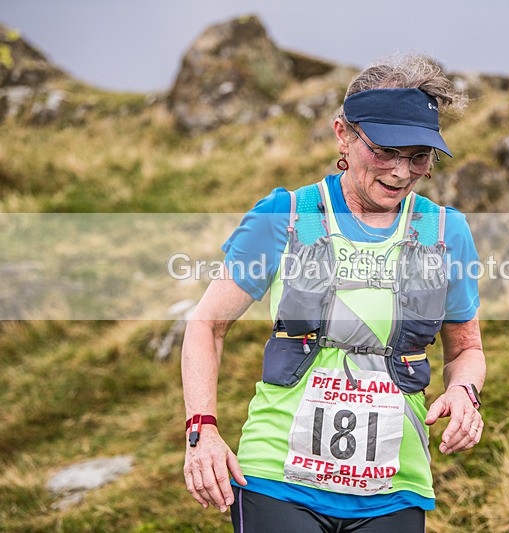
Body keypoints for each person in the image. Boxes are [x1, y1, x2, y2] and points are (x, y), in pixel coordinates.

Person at [182, 54, 486, 533]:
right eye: (385, 150)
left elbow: (466, 347)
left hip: (395, 487)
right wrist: (202, 430)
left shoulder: (446, 232)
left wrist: (465, 392)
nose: (401, 172)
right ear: (343, 133)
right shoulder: (285, 215)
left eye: (419, 156)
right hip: (277, 479)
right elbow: (207, 324)